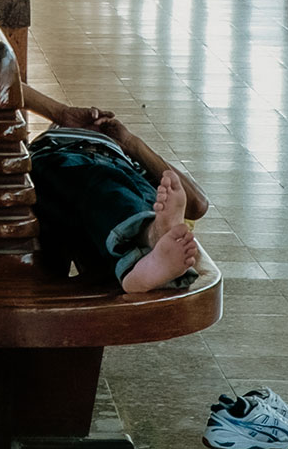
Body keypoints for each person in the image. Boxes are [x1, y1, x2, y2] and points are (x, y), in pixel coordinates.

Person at [19, 82, 207, 293]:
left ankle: (150, 249)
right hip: (62, 161)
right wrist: (63, 116)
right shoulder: (54, 142)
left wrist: (130, 143)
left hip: (114, 180)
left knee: (144, 195)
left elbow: (197, 205)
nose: (95, 127)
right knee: (104, 186)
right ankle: (151, 236)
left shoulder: (128, 159)